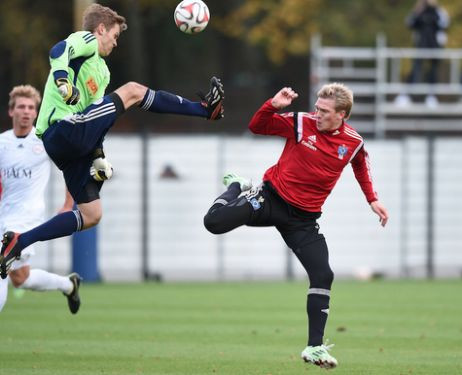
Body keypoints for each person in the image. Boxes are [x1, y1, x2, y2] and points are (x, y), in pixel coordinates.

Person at [0, 3, 224, 277]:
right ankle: (203, 110)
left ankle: (19, 241)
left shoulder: (102, 73)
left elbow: (96, 118)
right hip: (61, 129)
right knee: (132, 91)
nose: (116, 43)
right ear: (102, 29)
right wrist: (62, 81)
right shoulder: (87, 41)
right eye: (115, 36)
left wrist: (98, 156)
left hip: (70, 143)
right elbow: (58, 51)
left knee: (91, 214)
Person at [203, 84, 389, 369]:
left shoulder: (353, 142)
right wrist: (273, 105)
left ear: (342, 115)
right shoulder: (302, 123)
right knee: (213, 223)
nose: (317, 114)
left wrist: (373, 199)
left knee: (323, 274)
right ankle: (237, 187)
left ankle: (314, 348)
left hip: (303, 220)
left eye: (324, 111)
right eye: (317, 107)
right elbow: (257, 126)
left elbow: (360, 165)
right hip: (269, 199)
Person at [0, 85, 80, 314]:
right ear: (11, 111)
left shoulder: (44, 141)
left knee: (1, 265)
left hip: (26, 220)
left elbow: (70, 168)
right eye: (21, 107)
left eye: (30, 107)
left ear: (36, 113)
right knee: (20, 278)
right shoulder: (2, 142)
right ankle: (68, 284)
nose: (26, 111)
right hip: (4, 216)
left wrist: (68, 204)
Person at [395, 0, 449, 107]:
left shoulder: (439, 11)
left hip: (434, 45)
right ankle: (406, 96)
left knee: (433, 71)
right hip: (420, 45)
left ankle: (431, 96)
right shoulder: (419, 10)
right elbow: (410, 23)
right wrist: (418, 11)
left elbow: (444, 24)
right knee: (415, 70)